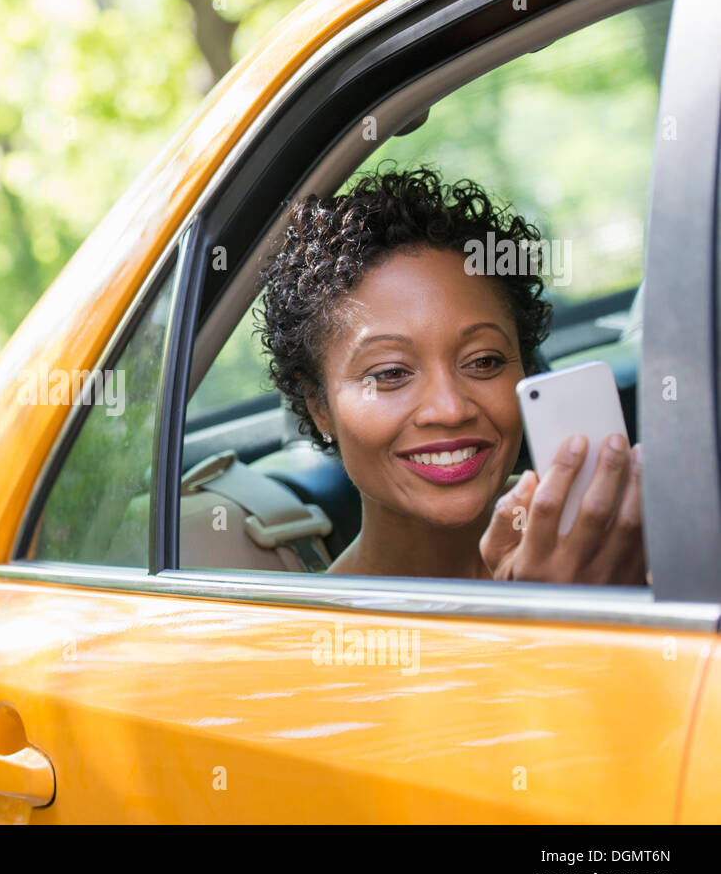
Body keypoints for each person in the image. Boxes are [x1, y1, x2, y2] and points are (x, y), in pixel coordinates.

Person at [257, 165, 646, 584]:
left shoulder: (634, 531)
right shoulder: (321, 635)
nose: (450, 408)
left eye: (483, 361)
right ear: (319, 407)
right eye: (390, 373)